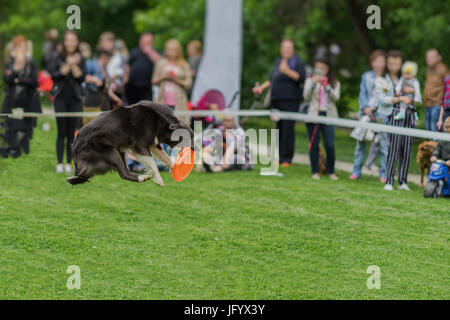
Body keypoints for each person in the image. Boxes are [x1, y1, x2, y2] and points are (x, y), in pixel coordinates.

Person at [252, 39, 306, 167]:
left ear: (293, 49)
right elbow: (272, 79)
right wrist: (261, 88)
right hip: (277, 99)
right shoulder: (278, 61)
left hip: (290, 100)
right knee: (279, 129)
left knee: (288, 129)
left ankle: (287, 158)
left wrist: (286, 71)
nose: (286, 50)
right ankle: (279, 156)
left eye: (289, 48)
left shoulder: (297, 62)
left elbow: (301, 77)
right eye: (284, 48)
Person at [375, 50, 414, 191]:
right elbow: (382, 99)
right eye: (391, 63)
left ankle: (403, 181)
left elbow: (414, 93)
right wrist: (399, 99)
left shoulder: (407, 78)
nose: (394, 66)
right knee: (394, 149)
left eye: (397, 63)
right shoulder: (382, 80)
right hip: (393, 115)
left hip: (408, 114)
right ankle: (389, 180)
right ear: (387, 63)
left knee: (407, 148)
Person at [48, 30, 86, 173]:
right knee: (61, 131)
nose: (70, 43)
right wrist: (68, 64)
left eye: (73, 40)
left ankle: (69, 163)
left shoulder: (81, 58)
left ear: (77, 42)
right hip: (60, 98)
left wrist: (73, 64)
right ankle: (59, 162)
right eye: (68, 40)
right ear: (64, 42)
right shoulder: (57, 57)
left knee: (72, 132)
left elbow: (81, 78)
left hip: (75, 98)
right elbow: (55, 76)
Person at [350, 49, 389, 182]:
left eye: (381, 61)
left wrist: (375, 107)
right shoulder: (366, 76)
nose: (378, 64)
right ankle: (356, 171)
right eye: (376, 61)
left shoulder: (387, 79)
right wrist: (365, 108)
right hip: (365, 113)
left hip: (380, 114)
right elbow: (362, 93)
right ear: (372, 62)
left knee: (383, 144)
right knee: (360, 142)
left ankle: (384, 174)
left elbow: (385, 95)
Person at [1, 35, 41, 158]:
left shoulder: (31, 63)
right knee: (14, 124)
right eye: (18, 46)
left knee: (26, 127)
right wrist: (16, 69)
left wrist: (19, 81)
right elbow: (7, 80)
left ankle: (22, 149)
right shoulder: (10, 63)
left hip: (28, 101)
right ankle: (14, 150)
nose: (21, 49)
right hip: (13, 100)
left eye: (23, 46)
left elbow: (34, 82)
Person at [303, 57, 340, 180]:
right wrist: (313, 84)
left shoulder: (334, 82)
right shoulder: (310, 80)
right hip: (314, 115)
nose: (321, 70)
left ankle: (331, 171)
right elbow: (306, 97)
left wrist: (327, 87)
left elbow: (336, 98)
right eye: (318, 68)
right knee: (314, 144)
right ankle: (315, 171)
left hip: (328, 115)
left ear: (328, 69)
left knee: (329, 145)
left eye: (323, 68)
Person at [152, 38, 192, 125]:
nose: (171, 52)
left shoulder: (184, 64)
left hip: (178, 102)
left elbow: (189, 84)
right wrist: (163, 77)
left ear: (178, 51)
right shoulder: (160, 63)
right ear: (166, 51)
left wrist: (175, 80)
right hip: (162, 100)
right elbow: (153, 81)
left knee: (178, 124)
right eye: (169, 50)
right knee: (163, 125)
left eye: (174, 50)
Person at [125, 33, 162, 105]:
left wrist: (150, 52)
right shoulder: (134, 51)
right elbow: (128, 66)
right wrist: (125, 79)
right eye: (144, 41)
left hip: (147, 86)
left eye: (148, 42)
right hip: (132, 86)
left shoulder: (155, 52)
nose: (145, 43)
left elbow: (160, 63)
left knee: (146, 108)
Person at [423, 48, 448, 132]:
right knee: (428, 130)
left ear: (439, 57)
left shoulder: (443, 69)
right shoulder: (429, 69)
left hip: (437, 105)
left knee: (436, 131)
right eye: (427, 56)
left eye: (432, 56)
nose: (429, 59)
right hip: (428, 105)